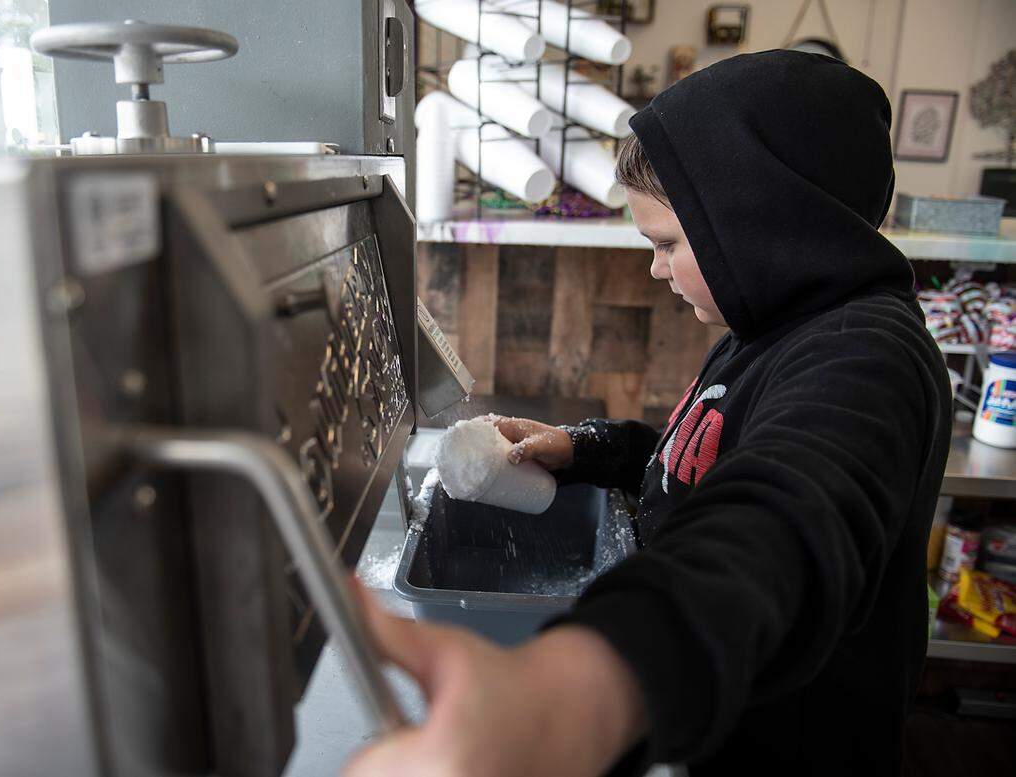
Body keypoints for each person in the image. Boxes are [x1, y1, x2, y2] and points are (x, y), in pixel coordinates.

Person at [346, 50, 951, 776]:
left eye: (666, 243)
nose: (656, 268)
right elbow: (700, 456)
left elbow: (778, 523)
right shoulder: (762, 332)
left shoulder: (867, 358)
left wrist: (584, 691)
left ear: (763, 227)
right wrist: (585, 449)